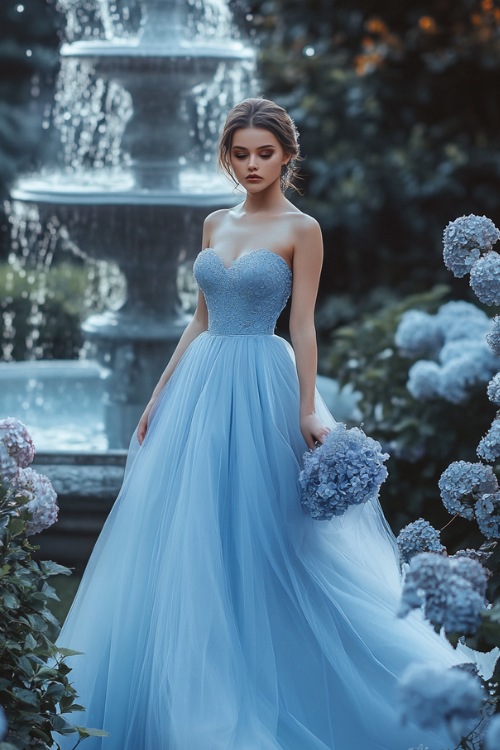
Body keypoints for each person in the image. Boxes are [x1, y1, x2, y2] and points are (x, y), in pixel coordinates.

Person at [57, 98, 469, 750]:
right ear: (228, 155)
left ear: (286, 156)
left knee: (272, 535)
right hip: (201, 383)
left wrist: (307, 406)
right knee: (193, 533)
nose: (251, 165)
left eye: (264, 153)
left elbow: (302, 325)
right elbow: (198, 318)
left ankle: (292, 678)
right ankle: (191, 682)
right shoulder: (214, 221)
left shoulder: (302, 229)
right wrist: (159, 395)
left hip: (262, 385)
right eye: (240, 153)